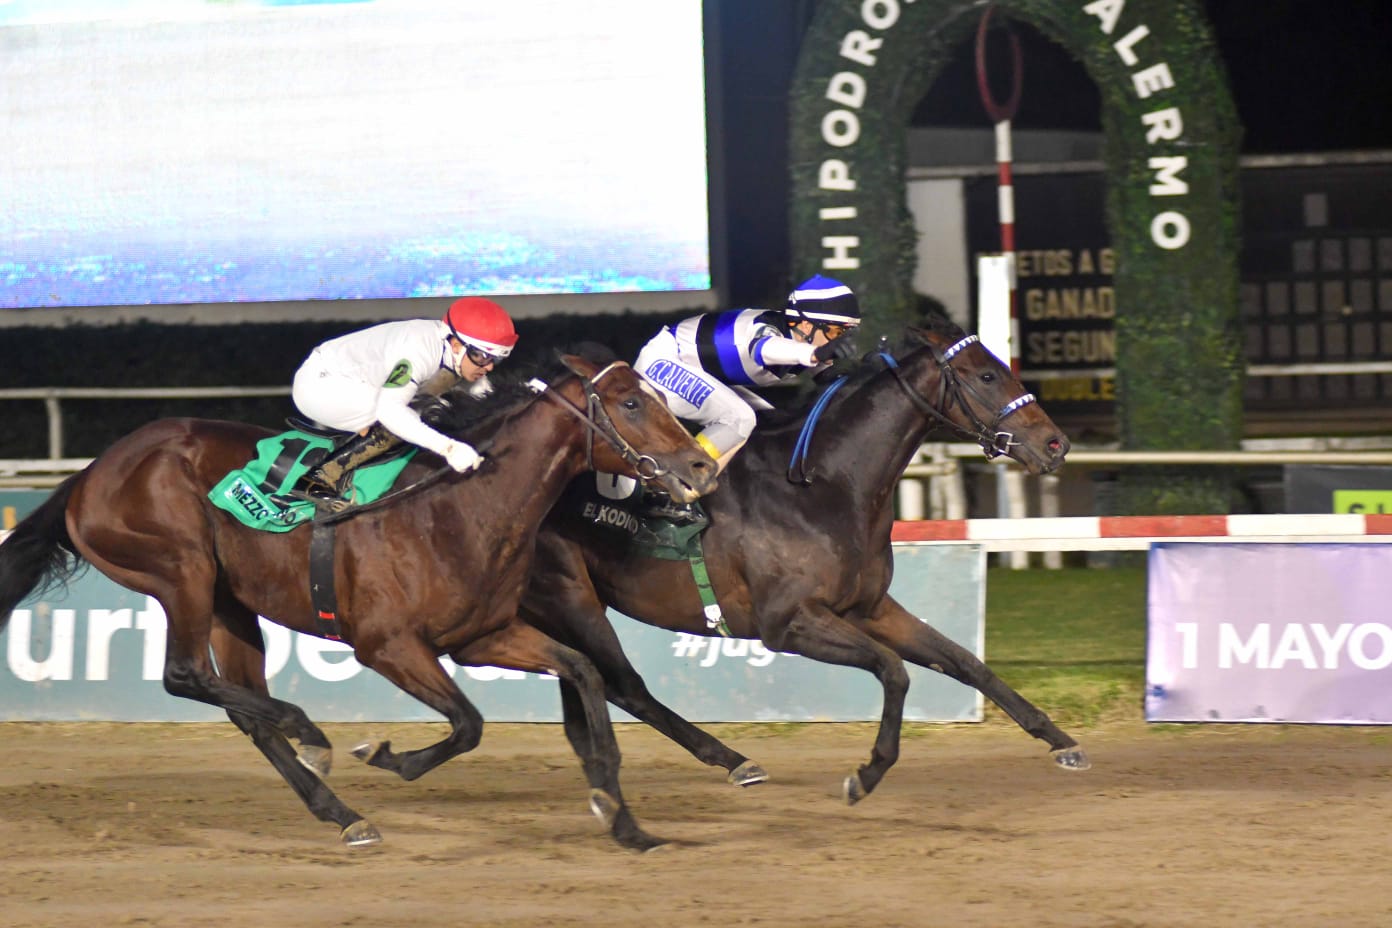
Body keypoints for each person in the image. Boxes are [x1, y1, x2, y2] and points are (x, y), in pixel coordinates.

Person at [632, 274, 861, 519]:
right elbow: (764, 349)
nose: (838, 340)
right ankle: (668, 487)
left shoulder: (803, 341)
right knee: (739, 418)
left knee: (767, 420)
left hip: (698, 368)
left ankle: (704, 489)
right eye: (837, 331)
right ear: (806, 325)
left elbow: (832, 378)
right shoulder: (772, 334)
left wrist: (870, 369)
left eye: (845, 333)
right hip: (663, 362)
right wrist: (815, 353)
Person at [291, 296, 518, 499]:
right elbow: (391, 411)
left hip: (348, 380)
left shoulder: (452, 352)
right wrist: (449, 449)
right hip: (320, 385)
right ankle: (318, 477)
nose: (488, 367)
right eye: (481, 356)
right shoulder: (421, 350)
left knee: (425, 410)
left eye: (495, 361)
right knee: (406, 417)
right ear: (456, 344)